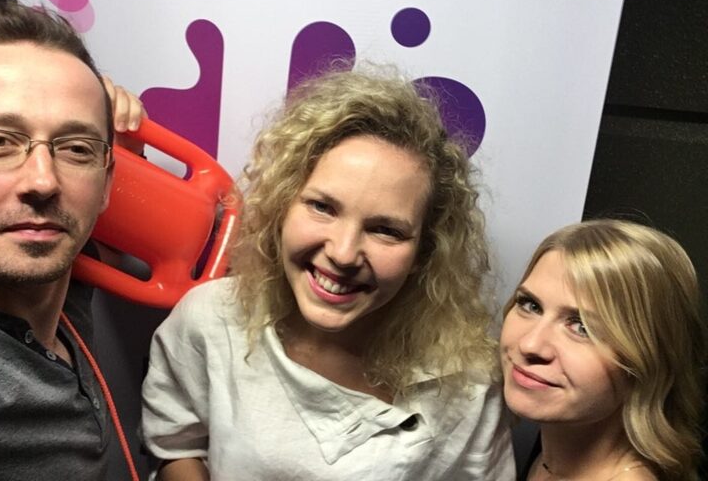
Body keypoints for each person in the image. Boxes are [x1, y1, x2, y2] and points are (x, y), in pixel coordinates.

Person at [141, 67, 515, 480]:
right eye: (322, 207)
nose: (343, 253)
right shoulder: (211, 318)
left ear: (424, 251)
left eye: (385, 230)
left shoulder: (465, 383)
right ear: (283, 205)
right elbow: (177, 445)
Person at [0, 0, 146, 479]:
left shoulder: (56, 275)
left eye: (76, 148)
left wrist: (113, 128)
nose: (42, 181)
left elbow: (105, 248)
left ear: (106, 184)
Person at [500, 219, 707, 481]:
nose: (530, 344)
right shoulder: (555, 456)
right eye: (530, 305)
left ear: (647, 362)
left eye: (582, 327)